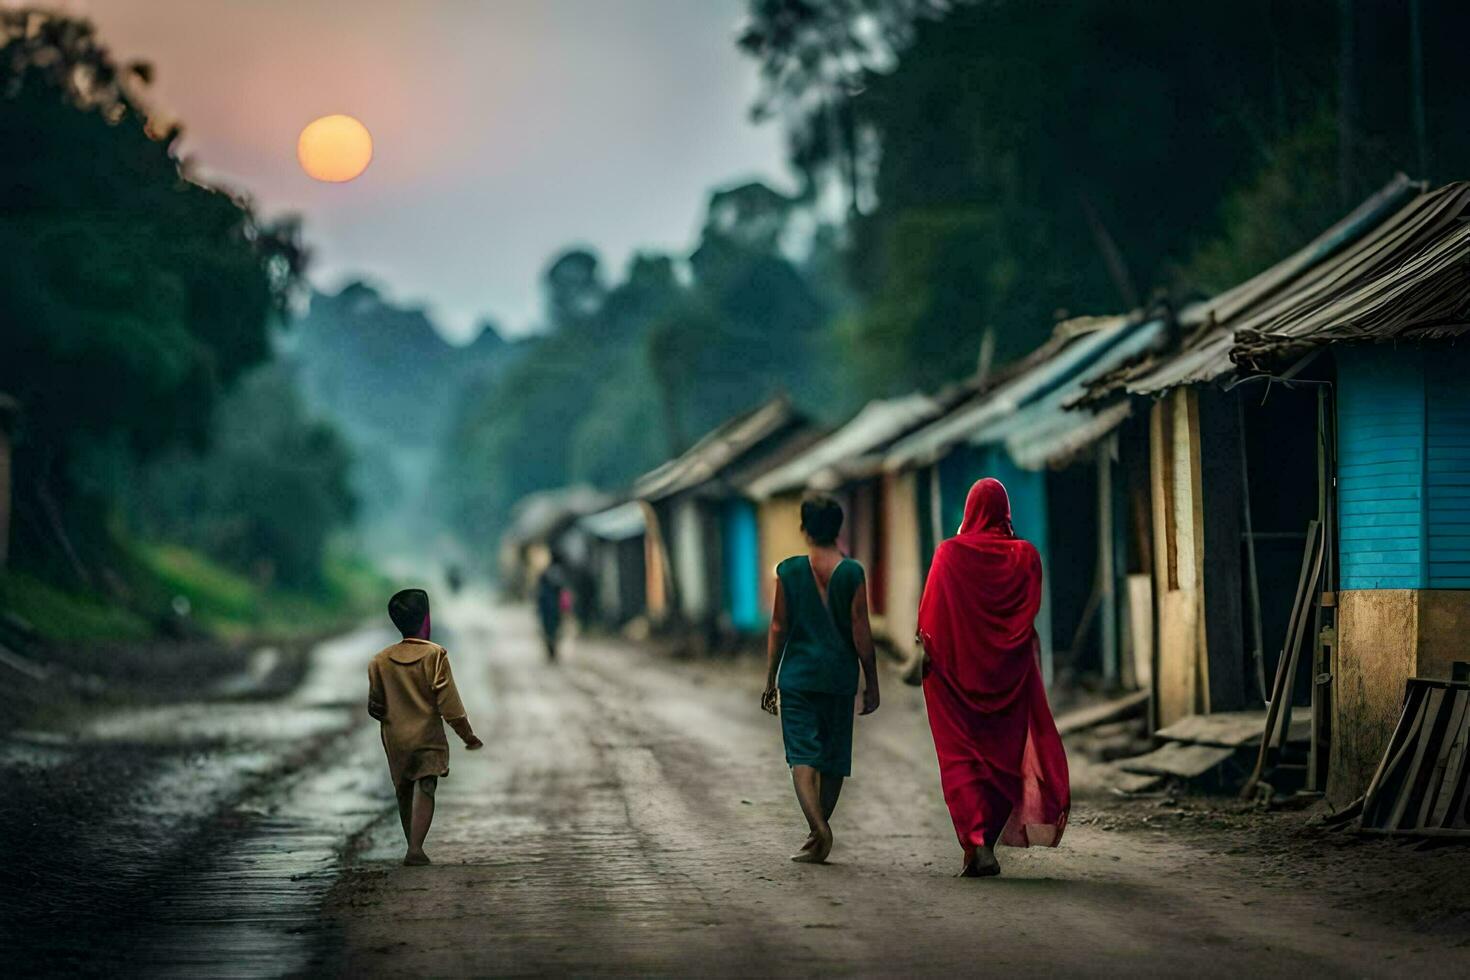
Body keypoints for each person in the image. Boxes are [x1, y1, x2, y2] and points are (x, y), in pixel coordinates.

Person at [918, 478, 1069, 878]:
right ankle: (983, 841)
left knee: (962, 758)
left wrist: (930, 656)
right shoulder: (1026, 556)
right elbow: (1027, 614)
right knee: (1002, 759)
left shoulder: (948, 554)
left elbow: (930, 620)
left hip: (955, 678)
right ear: (1005, 510)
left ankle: (978, 843)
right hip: (1009, 676)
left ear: (969, 510)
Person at [762, 494, 880, 864]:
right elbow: (861, 629)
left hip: (797, 677)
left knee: (802, 755)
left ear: (803, 528)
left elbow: (779, 626)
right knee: (832, 757)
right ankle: (820, 828)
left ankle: (819, 830)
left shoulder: (789, 571)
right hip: (839, 678)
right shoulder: (851, 572)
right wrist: (871, 680)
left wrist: (770, 679)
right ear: (838, 529)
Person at [368, 588, 483, 866]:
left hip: (395, 738)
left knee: (403, 789)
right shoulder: (436, 656)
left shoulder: (379, 661)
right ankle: (416, 848)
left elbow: (375, 707)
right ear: (426, 621)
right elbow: (451, 706)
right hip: (427, 737)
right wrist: (467, 735)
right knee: (426, 785)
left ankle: (412, 845)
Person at [534, 552, 570, 661]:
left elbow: (538, 592)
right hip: (555, 607)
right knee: (556, 629)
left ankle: (551, 651)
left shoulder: (544, 573)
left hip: (546, 606)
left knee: (548, 630)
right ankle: (553, 650)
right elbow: (563, 591)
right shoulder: (560, 574)